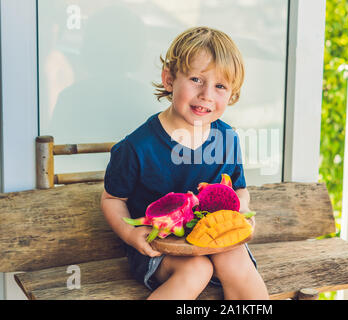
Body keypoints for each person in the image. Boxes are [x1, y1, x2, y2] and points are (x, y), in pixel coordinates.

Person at [101, 26, 269, 300]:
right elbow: (111, 198)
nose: (206, 95)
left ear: (232, 94)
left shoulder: (227, 138)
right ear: (169, 79)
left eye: (220, 86)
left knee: (235, 261)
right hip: (161, 249)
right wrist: (131, 235)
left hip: (217, 238)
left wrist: (244, 210)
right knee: (197, 269)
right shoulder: (136, 147)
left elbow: (238, 189)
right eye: (196, 79)